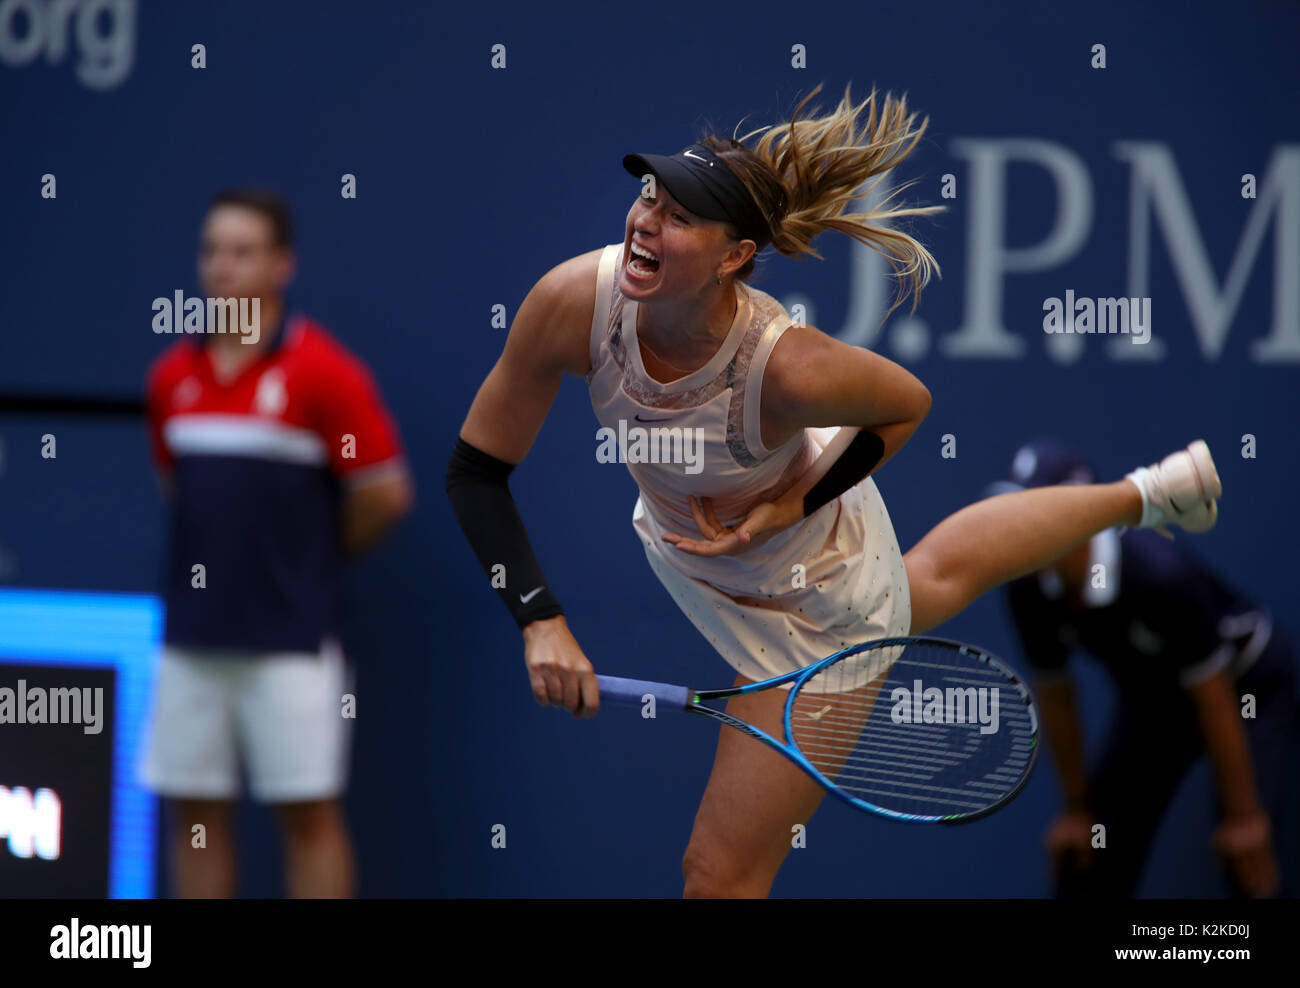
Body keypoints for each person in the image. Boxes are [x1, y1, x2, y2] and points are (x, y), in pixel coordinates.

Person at [444, 83, 1222, 897]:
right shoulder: (575, 302)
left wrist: (791, 505)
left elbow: (905, 405)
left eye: (679, 216)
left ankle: (1146, 494)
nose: (645, 219)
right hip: (710, 557)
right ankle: (1150, 492)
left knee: (719, 880)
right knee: (932, 581)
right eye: (648, 195)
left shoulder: (785, 365)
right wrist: (541, 622)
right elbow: (478, 470)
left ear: (734, 256)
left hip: (818, 606)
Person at [141, 189, 413, 897]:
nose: (222, 266)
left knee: (309, 816)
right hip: (192, 640)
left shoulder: (325, 373)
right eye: (211, 251)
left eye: (242, 251)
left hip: (292, 640)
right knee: (195, 818)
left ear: (281, 264)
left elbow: (383, 496)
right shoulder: (172, 378)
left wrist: (307, 561)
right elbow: (180, 489)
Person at [992, 439, 1298, 899]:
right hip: (1155, 700)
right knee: (1089, 854)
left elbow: (1213, 695)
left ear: (1077, 516)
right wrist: (1078, 807)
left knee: (1245, 853)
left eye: (1030, 513)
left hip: (1245, 688)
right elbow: (1056, 693)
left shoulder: (1159, 576)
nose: (1013, 531)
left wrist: (1243, 817)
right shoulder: (1026, 586)